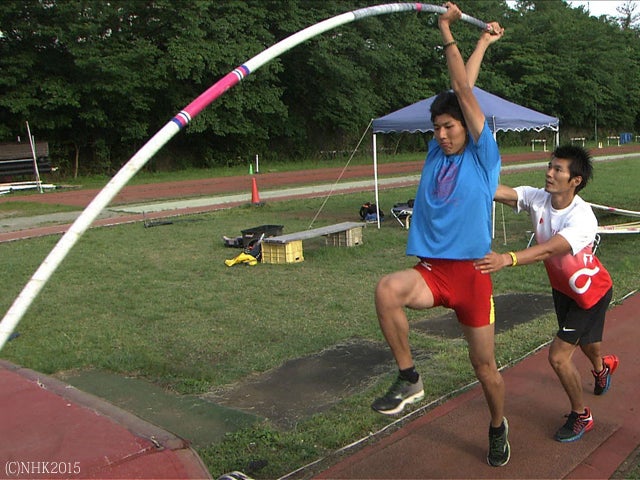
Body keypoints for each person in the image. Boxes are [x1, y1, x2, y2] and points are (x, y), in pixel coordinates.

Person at [371, 3, 510, 467]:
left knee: (484, 368)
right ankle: (409, 377)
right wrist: (483, 43)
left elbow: (463, 90)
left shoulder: (482, 154)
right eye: (437, 129)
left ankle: (497, 424)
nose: (443, 134)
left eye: (450, 127)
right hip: (433, 272)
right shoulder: (437, 152)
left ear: (468, 129)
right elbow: (459, 91)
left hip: (472, 277)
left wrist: (447, 28)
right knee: (387, 289)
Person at [474, 145, 619, 443]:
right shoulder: (539, 198)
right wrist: (469, 178)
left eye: (558, 170)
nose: (549, 173)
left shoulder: (583, 218)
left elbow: (552, 248)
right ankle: (602, 368)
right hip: (564, 290)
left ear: (575, 180)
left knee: (559, 357)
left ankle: (582, 415)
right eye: (549, 166)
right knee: (588, 345)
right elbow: (503, 193)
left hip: (591, 292)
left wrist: (507, 258)